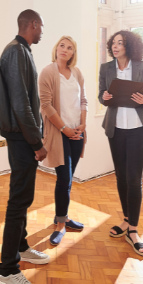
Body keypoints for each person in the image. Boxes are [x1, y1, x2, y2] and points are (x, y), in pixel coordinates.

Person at [0, 9, 51, 284]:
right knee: (19, 199)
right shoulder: (16, 52)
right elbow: (21, 104)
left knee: (24, 196)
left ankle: (20, 247)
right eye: (41, 26)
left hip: (21, 137)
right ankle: (7, 270)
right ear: (32, 24)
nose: (42, 31)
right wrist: (37, 142)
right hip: (21, 138)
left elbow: (25, 101)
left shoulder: (22, 51)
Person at [99, 30, 143, 257]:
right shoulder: (106, 68)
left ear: (129, 46)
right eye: (113, 43)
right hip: (115, 129)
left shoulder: (141, 66)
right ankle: (125, 219)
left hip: (138, 130)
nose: (115, 46)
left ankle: (133, 229)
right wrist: (103, 97)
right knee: (121, 176)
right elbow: (100, 95)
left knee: (134, 179)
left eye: (120, 43)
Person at [38, 36, 87, 245]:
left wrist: (82, 124)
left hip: (77, 131)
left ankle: (64, 216)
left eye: (69, 47)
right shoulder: (48, 72)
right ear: (56, 48)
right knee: (64, 178)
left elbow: (83, 100)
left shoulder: (76, 72)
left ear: (73, 53)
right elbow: (46, 106)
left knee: (69, 178)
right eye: (61, 46)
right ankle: (59, 224)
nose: (64, 50)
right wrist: (65, 129)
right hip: (60, 133)